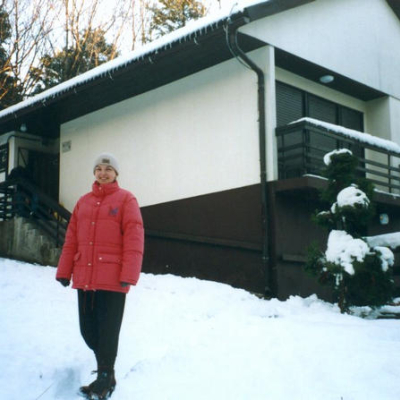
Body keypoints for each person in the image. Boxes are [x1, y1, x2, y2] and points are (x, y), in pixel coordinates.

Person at [56, 153, 144, 399]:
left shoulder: (126, 199)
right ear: (94, 173)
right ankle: (106, 371)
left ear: (116, 174)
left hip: (113, 279)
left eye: (108, 169)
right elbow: (71, 239)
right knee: (88, 330)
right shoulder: (83, 202)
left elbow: (134, 238)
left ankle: (105, 377)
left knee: (108, 330)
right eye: (99, 169)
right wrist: (64, 270)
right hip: (85, 277)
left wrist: (129, 273)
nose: (103, 173)